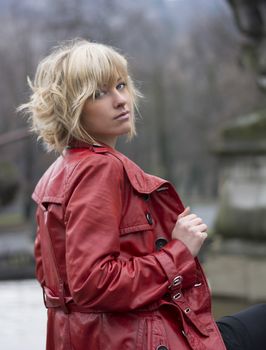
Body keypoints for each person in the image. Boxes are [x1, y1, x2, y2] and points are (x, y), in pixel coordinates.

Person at [19, 39, 266, 350]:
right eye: (100, 93)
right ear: (72, 107)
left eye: (121, 85)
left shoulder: (55, 175)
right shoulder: (100, 169)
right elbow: (93, 284)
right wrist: (179, 250)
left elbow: (54, 283)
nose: (121, 100)